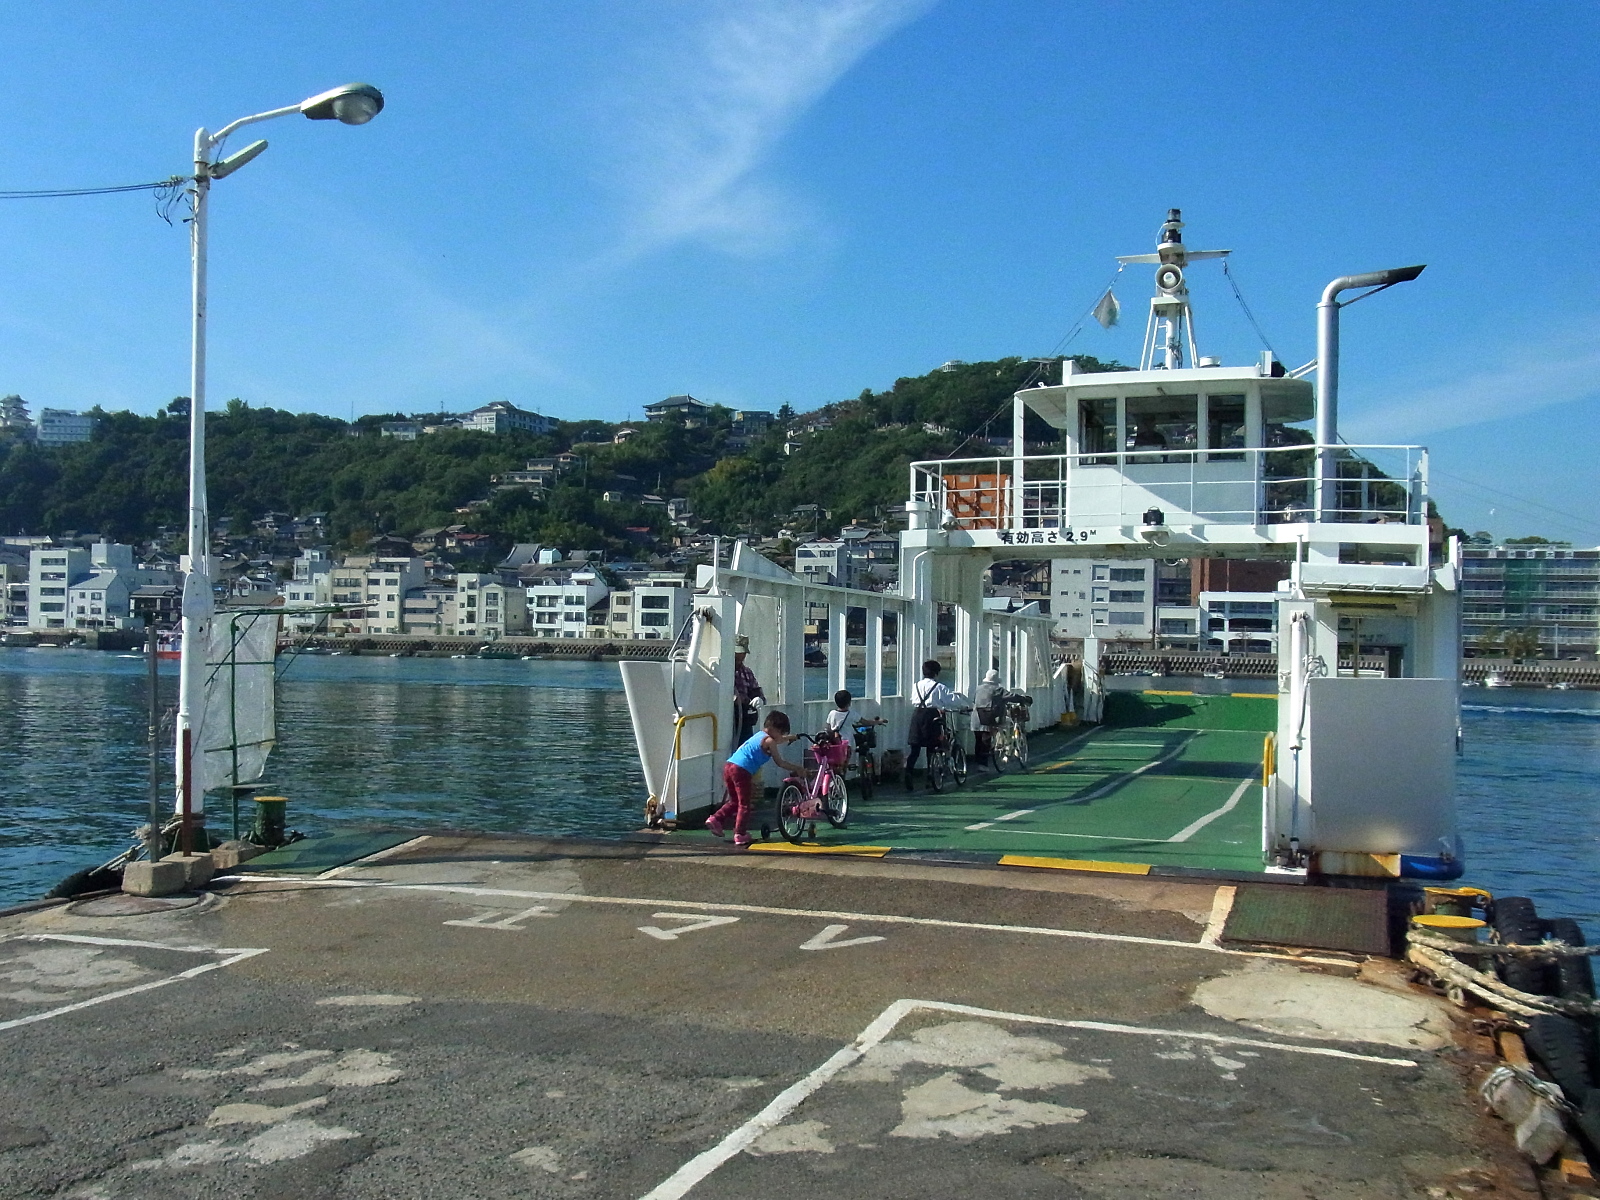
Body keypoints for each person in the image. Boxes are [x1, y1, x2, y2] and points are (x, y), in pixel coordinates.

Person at [709, 709, 802, 849]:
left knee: (734, 801)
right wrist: (797, 768)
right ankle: (740, 834)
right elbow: (780, 762)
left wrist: (791, 737)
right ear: (775, 729)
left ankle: (715, 819)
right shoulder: (770, 741)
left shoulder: (760, 735)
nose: (781, 736)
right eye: (781, 732)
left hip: (729, 766)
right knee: (744, 804)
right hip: (742, 770)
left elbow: (778, 740)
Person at [904, 659, 959, 790]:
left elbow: (913, 700)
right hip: (932, 715)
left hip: (917, 714)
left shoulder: (916, 685)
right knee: (933, 747)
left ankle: (908, 772)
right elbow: (951, 700)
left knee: (915, 749)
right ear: (936, 673)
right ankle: (930, 776)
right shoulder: (939, 687)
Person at [824, 689, 885, 765]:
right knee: (844, 765)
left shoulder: (832, 713)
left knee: (835, 764)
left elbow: (828, 728)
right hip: (846, 744)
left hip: (834, 744)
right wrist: (878, 722)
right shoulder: (852, 714)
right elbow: (866, 722)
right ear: (849, 703)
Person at [972, 668, 1009, 771]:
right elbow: (1011, 696)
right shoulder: (998, 689)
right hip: (987, 717)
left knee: (978, 740)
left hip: (976, 718)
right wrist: (1024, 699)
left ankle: (978, 762)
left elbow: (974, 700)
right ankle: (983, 764)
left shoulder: (978, 688)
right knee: (986, 741)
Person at [732, 634, 766, 745]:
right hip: (728, 719)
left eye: (743, 653)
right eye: (737, 653)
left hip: (744, 721)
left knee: (746, 747)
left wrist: (759, 699)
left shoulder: (747, 672)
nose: (740, 656)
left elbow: (757, 691)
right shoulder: (722, 672)